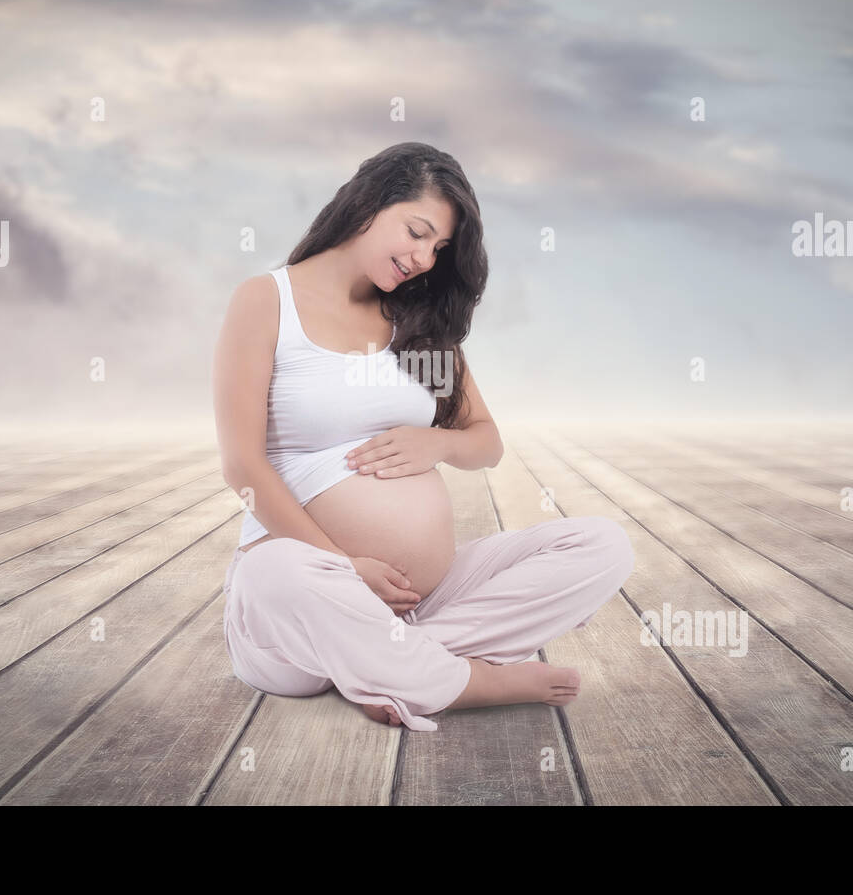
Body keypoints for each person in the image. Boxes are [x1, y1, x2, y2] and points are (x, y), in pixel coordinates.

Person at [211, 142, 635, 730]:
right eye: (416, 232)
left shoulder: (417, 324)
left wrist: (437, 443)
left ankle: (392, 663)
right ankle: (464, 678)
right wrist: (344, 569)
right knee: (270, 573)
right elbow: (243, 467)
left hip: (421, 602)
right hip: (305, 599)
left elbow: (486, 441)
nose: (423, 258)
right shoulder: (266, 301)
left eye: (437, 248)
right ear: (367, 204)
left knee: (603, 546)